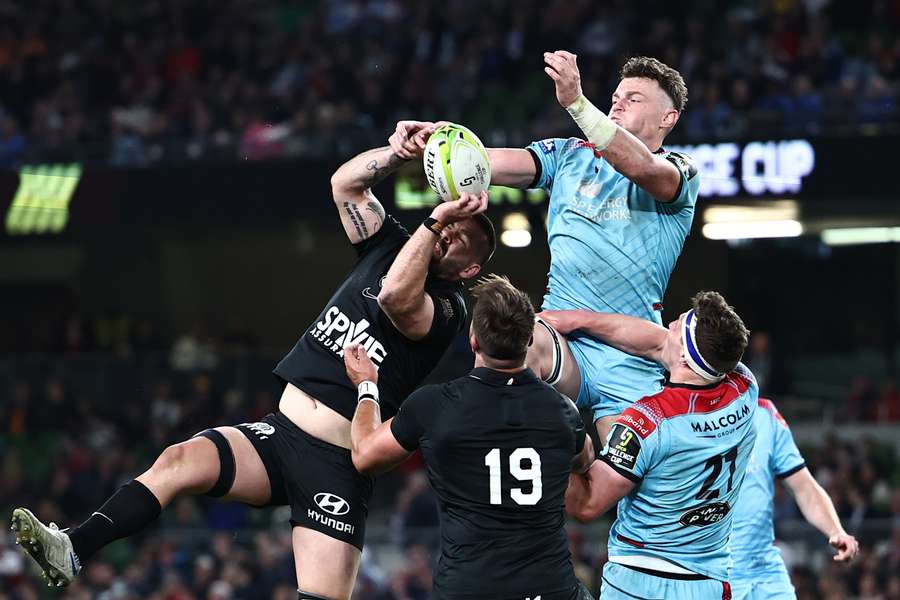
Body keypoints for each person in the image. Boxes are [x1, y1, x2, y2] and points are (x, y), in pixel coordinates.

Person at [11, 132, 497, 599]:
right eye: (450, 222)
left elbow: (394, 295)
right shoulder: (389, 243)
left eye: (461, 235)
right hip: (279, 435)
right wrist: (396, 154)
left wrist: (434, 222)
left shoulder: (448, 308)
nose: (450, 230)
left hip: (335, 467)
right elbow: (344, 185)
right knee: (178, 461)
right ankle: (73, 548)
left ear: (471, 268)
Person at [392, 54, 700, 444]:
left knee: (618, 486)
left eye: (634, 98)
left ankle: (578, 458)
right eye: (617, 96)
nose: (618, 102)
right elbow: (483, 162)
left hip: (630, 351)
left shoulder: (680, 170)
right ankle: (489, 467)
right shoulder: (569, 154)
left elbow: (642, 168)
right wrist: (437, 142)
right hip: (560, 339)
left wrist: (577, 103)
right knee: (510, 343)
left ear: (667, 118)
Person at [344, 275, 594, 600]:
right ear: (530, 339)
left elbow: (364, 456)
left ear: (473, 339)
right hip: (549, 588)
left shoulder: (434, 405)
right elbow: (584, 459)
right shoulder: (564, 412)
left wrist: (366, 386)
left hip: (467, 588)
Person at [541, 291, 754, 599]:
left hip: (640, 582)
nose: (668, 324)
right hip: (707, 582)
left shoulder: (647, 422)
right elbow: (657, 343)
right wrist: (583, 321)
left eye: (676, 327)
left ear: (683, 357)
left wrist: (558, 444)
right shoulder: (744, 386)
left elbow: (587, 505)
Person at [729, 397, 859, 599]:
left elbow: (805, 488)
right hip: (710, 575)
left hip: (766, 572)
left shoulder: (764, 414)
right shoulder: (679, 416)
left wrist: (835, 530)